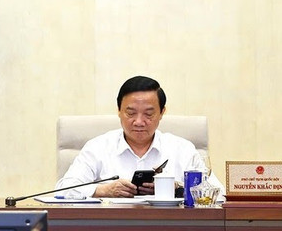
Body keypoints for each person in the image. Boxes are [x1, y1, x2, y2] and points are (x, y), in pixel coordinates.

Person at [55, 75, 224, 199]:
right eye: (131, 113)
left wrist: (176, 188)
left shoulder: (182, 149)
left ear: (162, 113)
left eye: (149, 114)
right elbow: (62, 190)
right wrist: (104, 190)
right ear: (119, 111)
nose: (139, 122)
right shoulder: (98, 147)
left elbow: (219, 193)